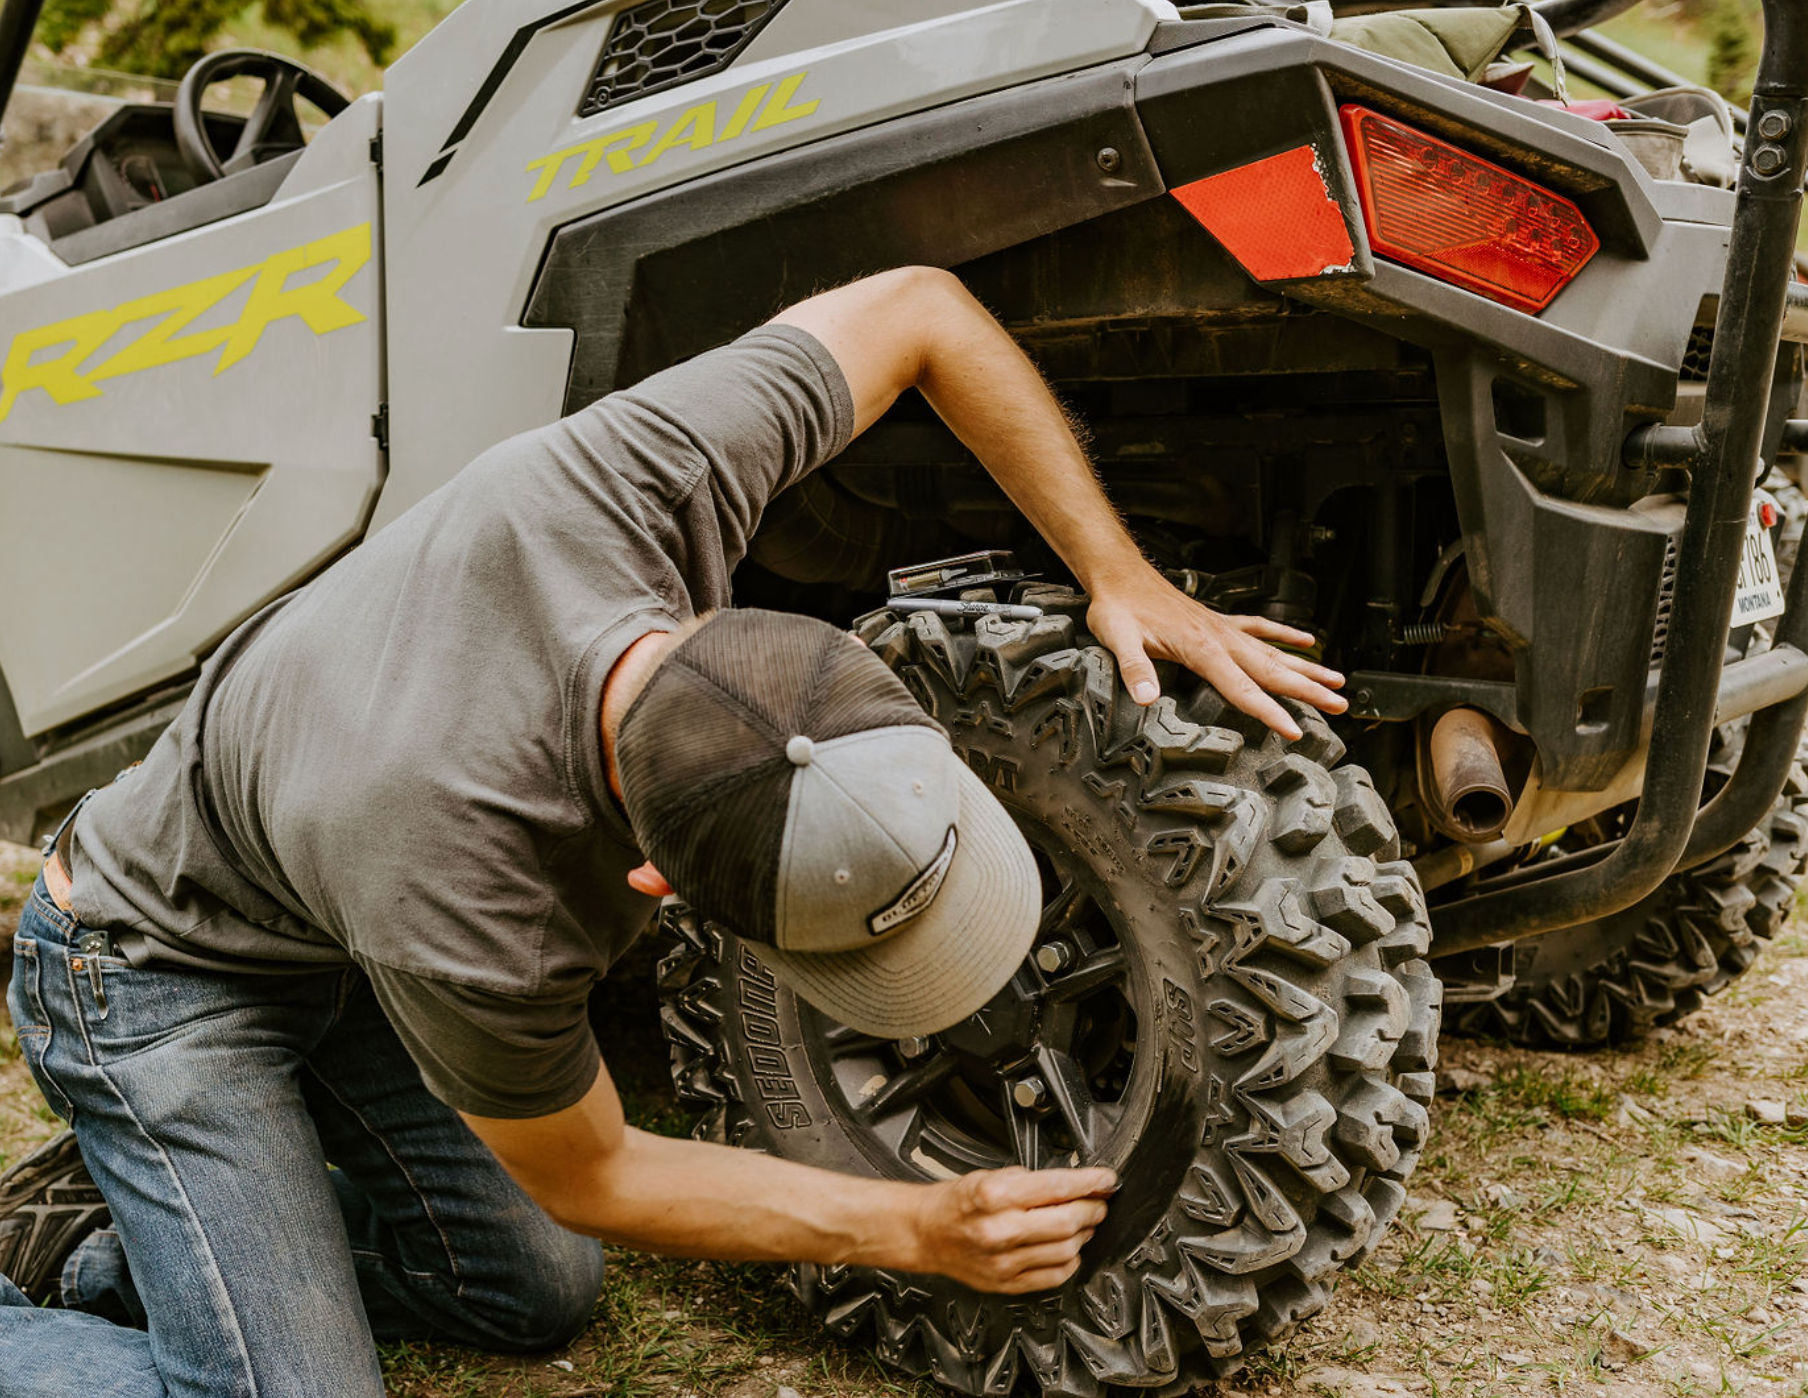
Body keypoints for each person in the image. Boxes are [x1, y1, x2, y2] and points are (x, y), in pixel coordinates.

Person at [0, 266, 1346, 1397]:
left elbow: (925, 307)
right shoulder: (466, 888)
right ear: (657, 881)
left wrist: (1115, 571)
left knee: (527, 1289)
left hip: (319, 912)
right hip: (145, 967)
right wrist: (918, 1225)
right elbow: (595, 1169)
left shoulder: (646, 478)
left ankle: (116, 1239)